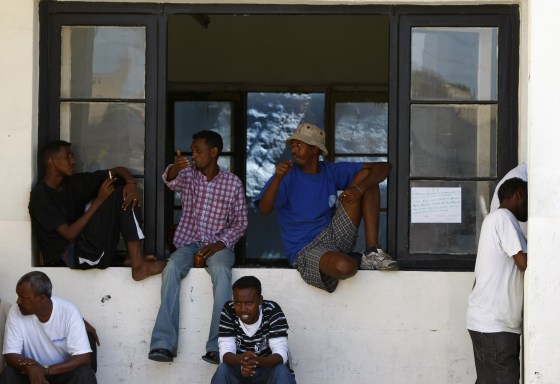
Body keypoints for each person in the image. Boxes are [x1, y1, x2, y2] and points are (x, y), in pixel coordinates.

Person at [255, 123, 397, 293]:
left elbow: (384, 168)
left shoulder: (329, 171)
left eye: (299, 144)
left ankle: (372, 251)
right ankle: (356, 260)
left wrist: (358, 189)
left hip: (334, 234)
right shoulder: (286, 175)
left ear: (315, 149)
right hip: (306, 249)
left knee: (368, 179)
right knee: (345, 267)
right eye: (292, 145)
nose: (293, 149)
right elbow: (263, 209)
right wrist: (277, 178)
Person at [149, 130, 248, 364]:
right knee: (172, 267)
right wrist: (175, 166)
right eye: (192, 151)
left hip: (219, 244)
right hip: (189, 241)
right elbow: (170, 179)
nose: (194, 156)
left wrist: (219, 244)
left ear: (214, 153)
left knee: (223, 273)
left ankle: (217, 346)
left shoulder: (232, 183)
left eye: (198, 151)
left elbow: (241, 223)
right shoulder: (189, 175)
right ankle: (163, 344)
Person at [28, 140, 166, 281]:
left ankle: (134, 258)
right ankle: (138, 264)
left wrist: (131, 183)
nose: (73, 161)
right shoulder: (41, 197)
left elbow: (117, 170)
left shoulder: (73, 182)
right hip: (72, 256)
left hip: (86, 244)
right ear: (51, 162)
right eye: (68, 157)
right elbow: (69, 234)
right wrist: (99, 200)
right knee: (118, 195)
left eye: (73, 156)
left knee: (119, 186)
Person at [466, 177, 528, 383]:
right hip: (494, 325)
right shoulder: (503, 218)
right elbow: (524, 262)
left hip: (489, 323)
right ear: (520, 193)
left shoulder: (495, 219)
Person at [0, 271, 97, 384]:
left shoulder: (69, 311)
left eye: (24, 298)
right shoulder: (16, 311)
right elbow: (10, 355)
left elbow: (83, 358)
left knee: (84, 374)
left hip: (62, 373)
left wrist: (46, 370)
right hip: (30, 374)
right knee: (9, 374)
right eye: (18, 296)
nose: (18, 301)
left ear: (41, 298)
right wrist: (30, 367)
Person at [211, 276, 296, 384]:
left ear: (260, 300)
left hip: (267, 369)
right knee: (223, 369)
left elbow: (281, 355)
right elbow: (225, 354)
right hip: (239, 370)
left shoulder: (272, 310)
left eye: (249, 303)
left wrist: (256, 361)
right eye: (237, 302)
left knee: (281, 370)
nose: (242, 309)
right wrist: (241, 360)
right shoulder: (229, 310)